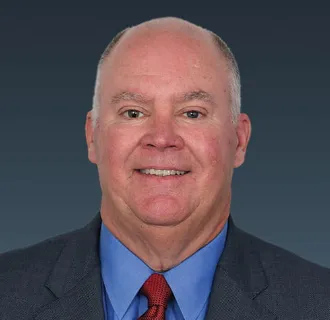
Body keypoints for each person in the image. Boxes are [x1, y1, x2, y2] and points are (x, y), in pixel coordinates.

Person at [1, 16, 329, 320]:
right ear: (92, 137)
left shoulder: (318, 302)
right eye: (133, 112)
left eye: (192, 113)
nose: (161, 138)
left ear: (239, 141)